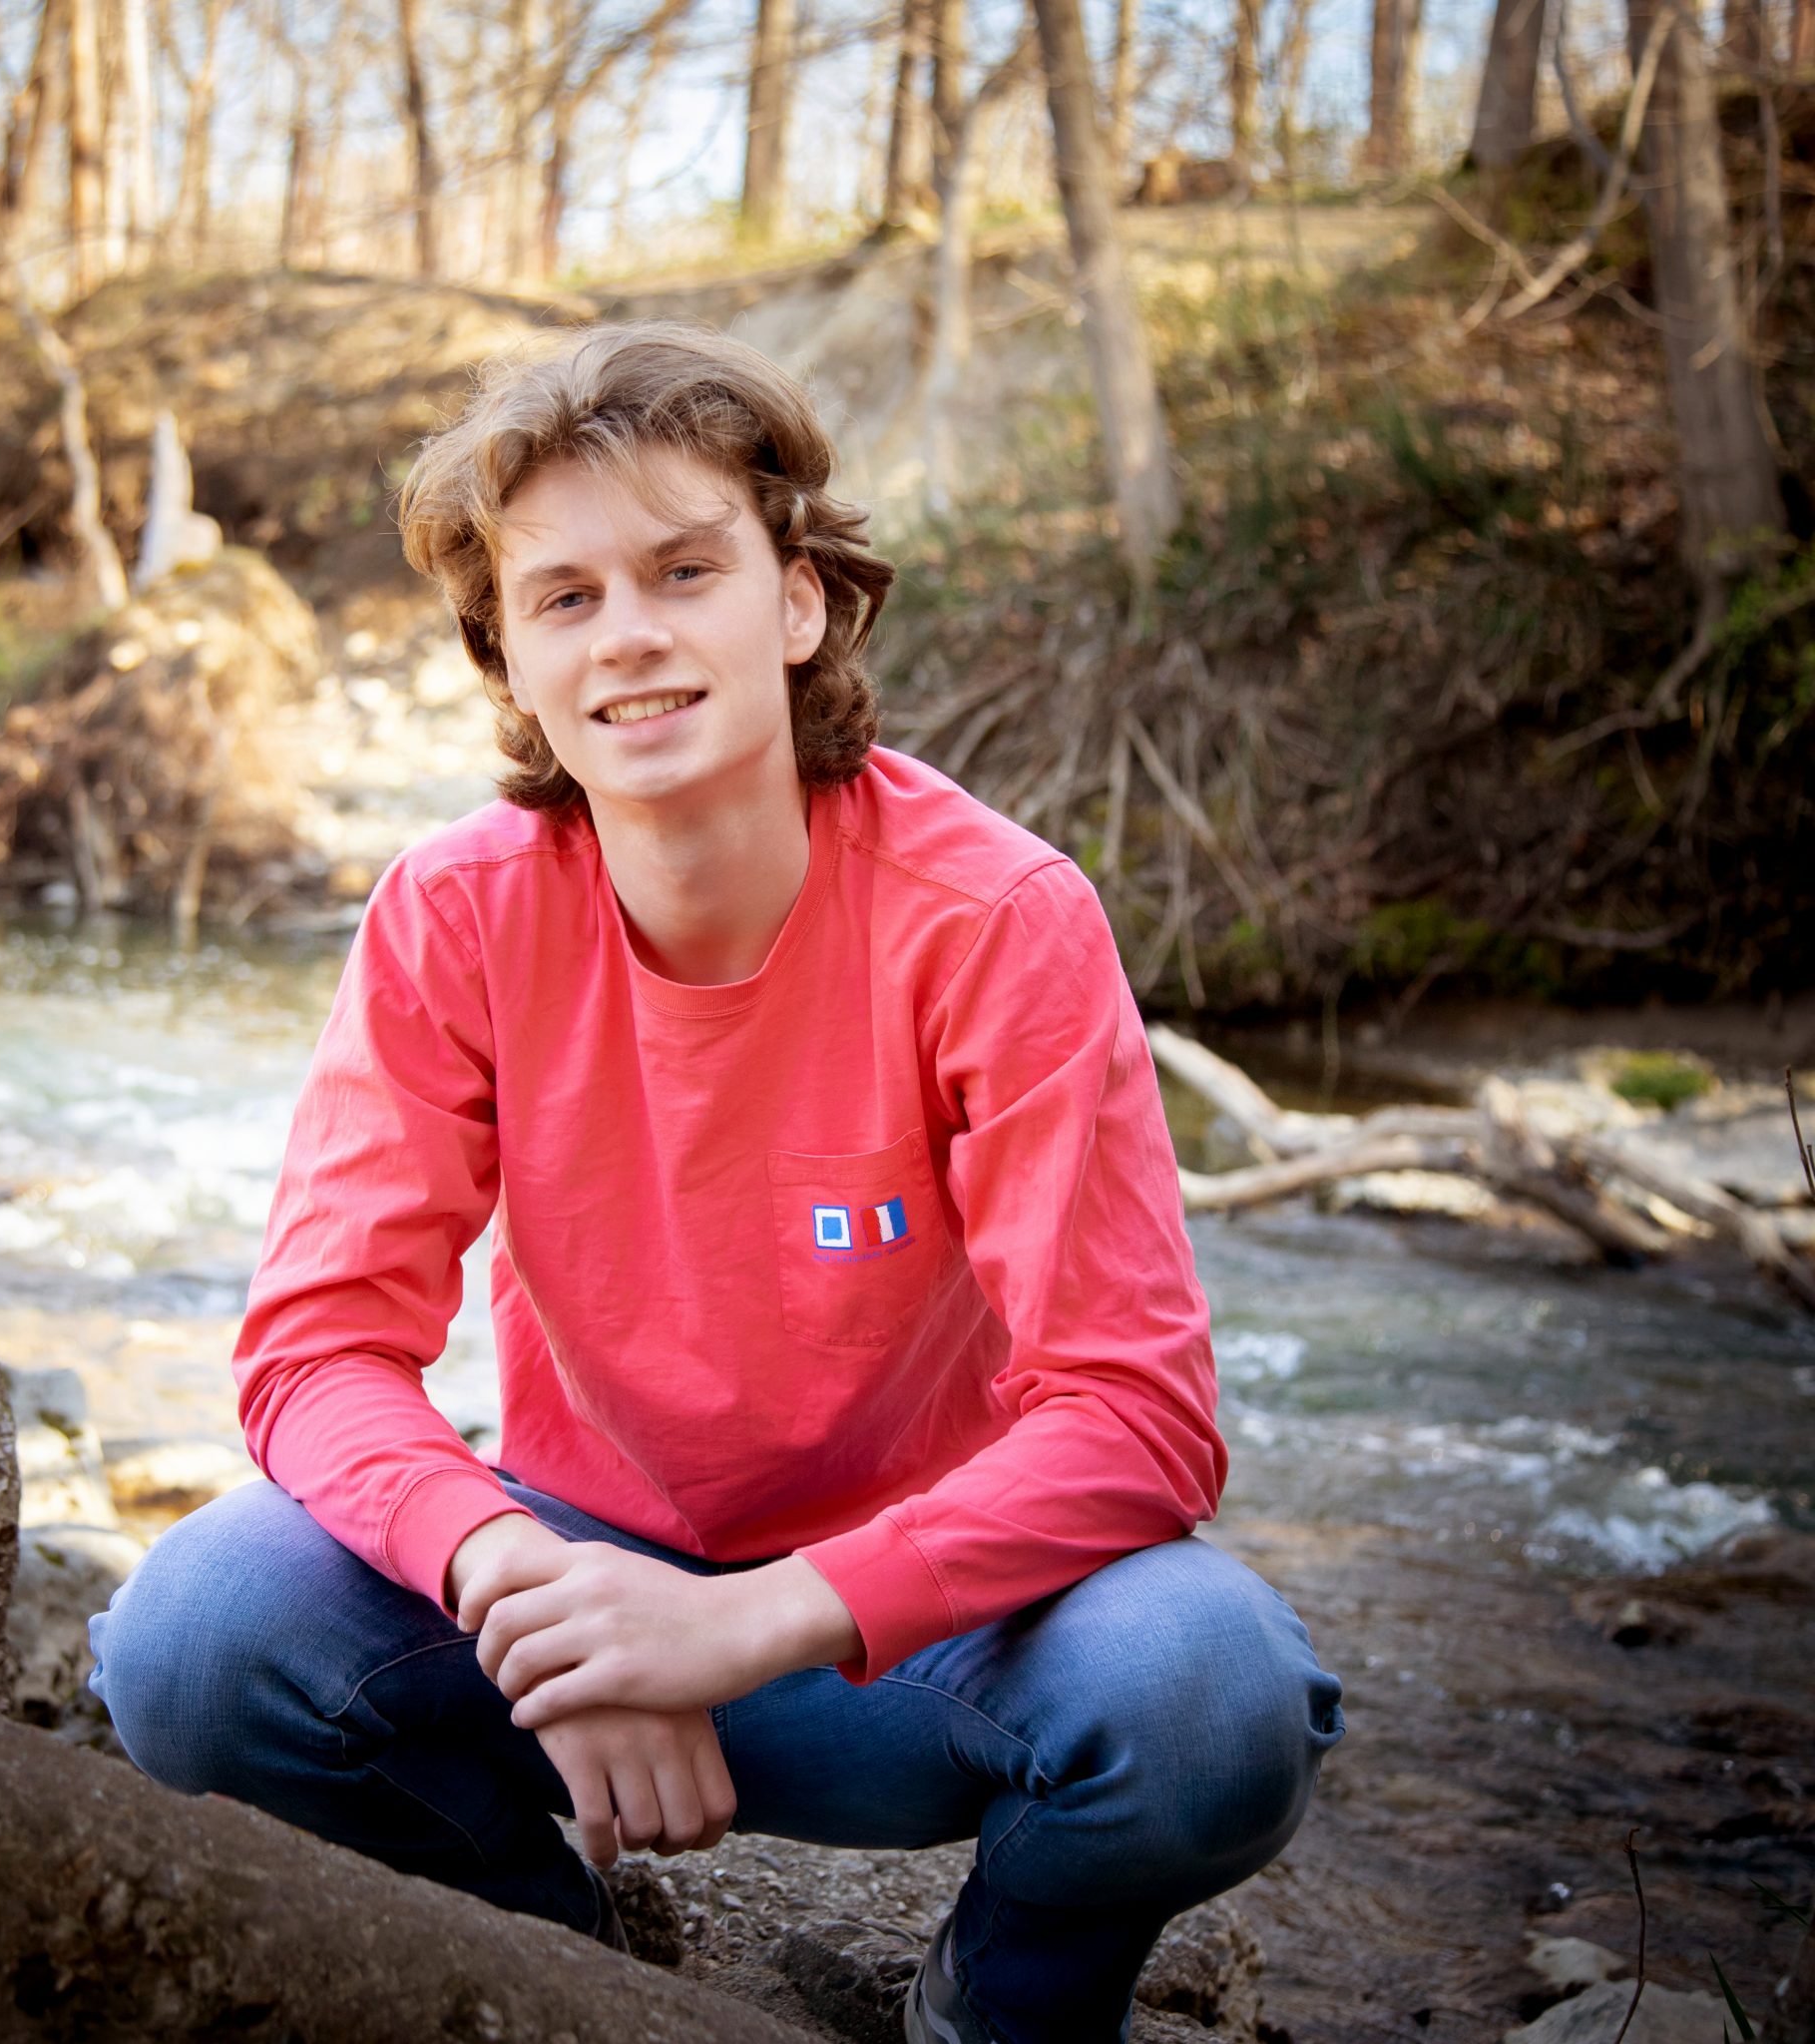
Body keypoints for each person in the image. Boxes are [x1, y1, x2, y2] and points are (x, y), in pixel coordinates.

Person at [91, 322, 1344, 2044]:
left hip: (930, 1634)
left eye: (686, 569)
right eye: (567, 598)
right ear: (510, 659)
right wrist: (528, 1592)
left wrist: (732, 1631)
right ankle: (562, 1979)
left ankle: (994, 2010)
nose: (633, 637)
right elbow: (315, 1353)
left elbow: (1139, 1417)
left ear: (799, 601)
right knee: (193, 1638)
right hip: (582, 1575)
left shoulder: (996, 919)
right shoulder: (457, 913)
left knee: (1210, 1695)